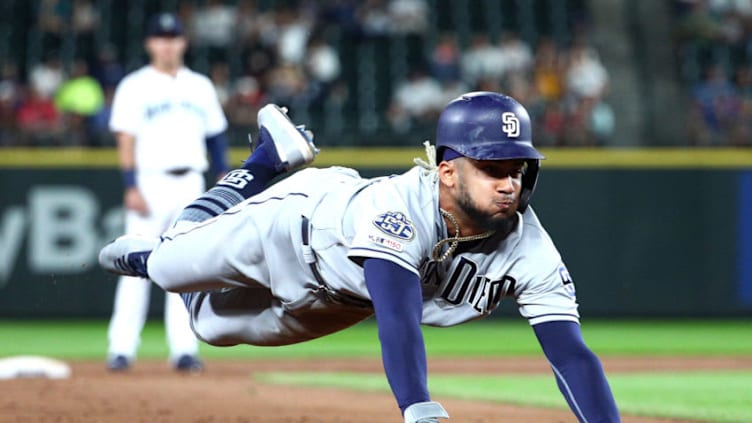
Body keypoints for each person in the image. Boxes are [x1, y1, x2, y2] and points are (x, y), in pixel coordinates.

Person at [99, 92, 620, 422]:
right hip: (292, 227)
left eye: (518, 169)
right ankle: (265, 163)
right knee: (169, 269)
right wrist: (417, 406)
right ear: (447, 171)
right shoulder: (399, 208)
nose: (510, 183)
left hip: (342, 298)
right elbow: (399, 314)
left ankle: (170, 249)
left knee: (209, 326)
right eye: (493, 168)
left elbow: (570, 354)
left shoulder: (530, 248)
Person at [105, 12, 230, 372]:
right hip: (149, 181)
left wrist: (222, 173)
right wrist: (130, 186)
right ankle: (121, 349)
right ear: (150, 44)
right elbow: (125, 139)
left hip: (191, 181)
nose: (167, 44)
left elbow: (216, 136)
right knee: (133, 266)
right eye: (161, 38)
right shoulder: (135, 85)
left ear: (183, 43)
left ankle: (184, 350)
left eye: (173, 38)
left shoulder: (200, 85)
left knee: (185, 270)